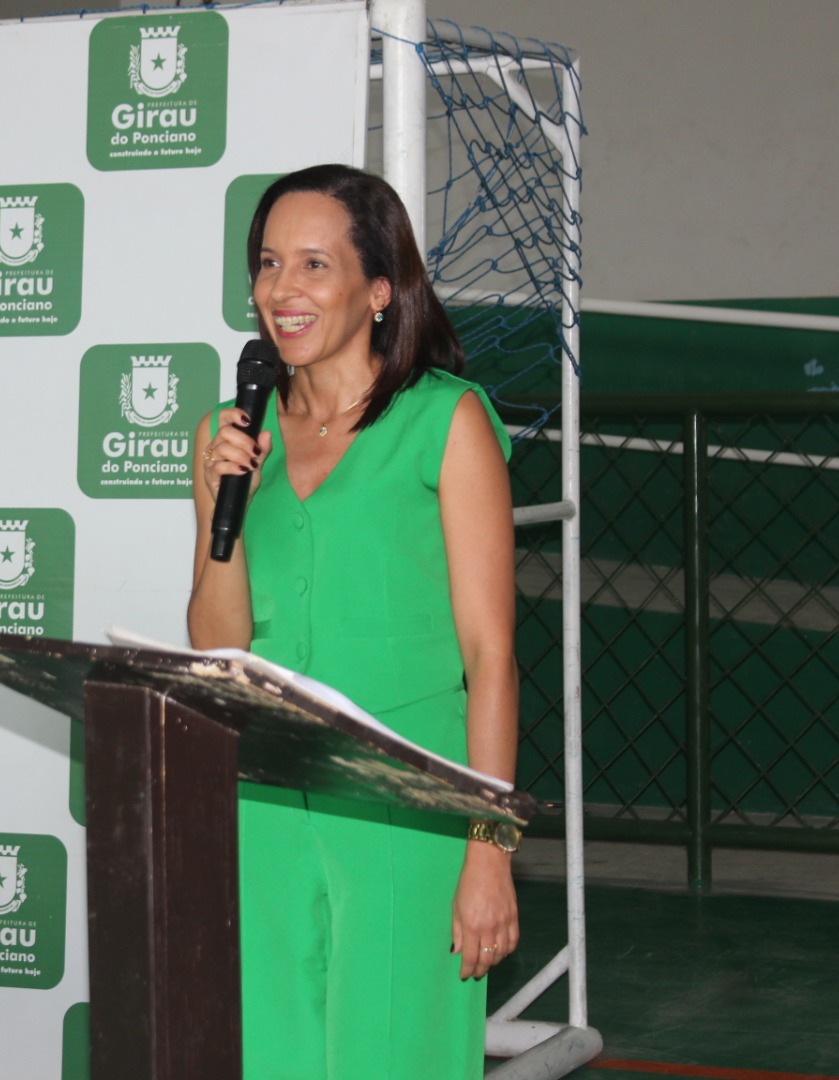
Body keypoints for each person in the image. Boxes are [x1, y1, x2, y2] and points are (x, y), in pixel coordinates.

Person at [188, 164, 520, 1078]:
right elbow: (216, 646)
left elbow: (491, 657)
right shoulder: (229, 430)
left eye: (313, 265)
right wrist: (226, 513)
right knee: (265, 1053)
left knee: (393, 1054)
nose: (281, 291)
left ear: (379, 289)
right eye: (266, 264)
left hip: (406, 809)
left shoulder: (446, 422)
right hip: (261, 800)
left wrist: (489, 850)